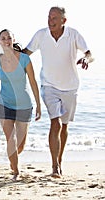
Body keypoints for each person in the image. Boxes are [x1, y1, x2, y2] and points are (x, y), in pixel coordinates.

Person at [22, 6, 94, 178]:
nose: (50, 21)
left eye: (54, 18)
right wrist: (7, 54)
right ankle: (54, 166)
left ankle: (59, 161)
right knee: (56, 123)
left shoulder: (73, 34)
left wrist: (85, 59)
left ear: (64, 21)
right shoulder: (41, 35)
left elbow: (90, 53)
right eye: (49, 17)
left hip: (70, 87)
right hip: (49, 86)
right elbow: (25, 53)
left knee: (64, 126)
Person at [0, 29, 41, 181]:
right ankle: (16, 172)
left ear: (13, 40)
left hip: (24, 105)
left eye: (9, 38)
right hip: (4, 104)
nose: (6, 41)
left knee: (20, 145)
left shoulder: (25, 59)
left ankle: (13, 160)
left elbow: (32, 82)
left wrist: (38, 104)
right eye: (3, 38)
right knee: (10, 138)